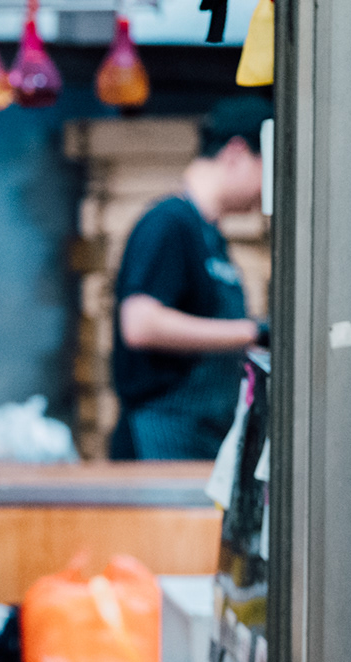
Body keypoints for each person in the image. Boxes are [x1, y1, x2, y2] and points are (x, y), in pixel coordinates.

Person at [110, 96, 273, 460]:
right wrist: (254, 331)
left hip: (201, 434)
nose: (267, 187)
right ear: (236, 153)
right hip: (160, 438)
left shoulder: (209, 236)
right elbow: (140, 324)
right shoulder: (169, 223)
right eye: (267, 168)